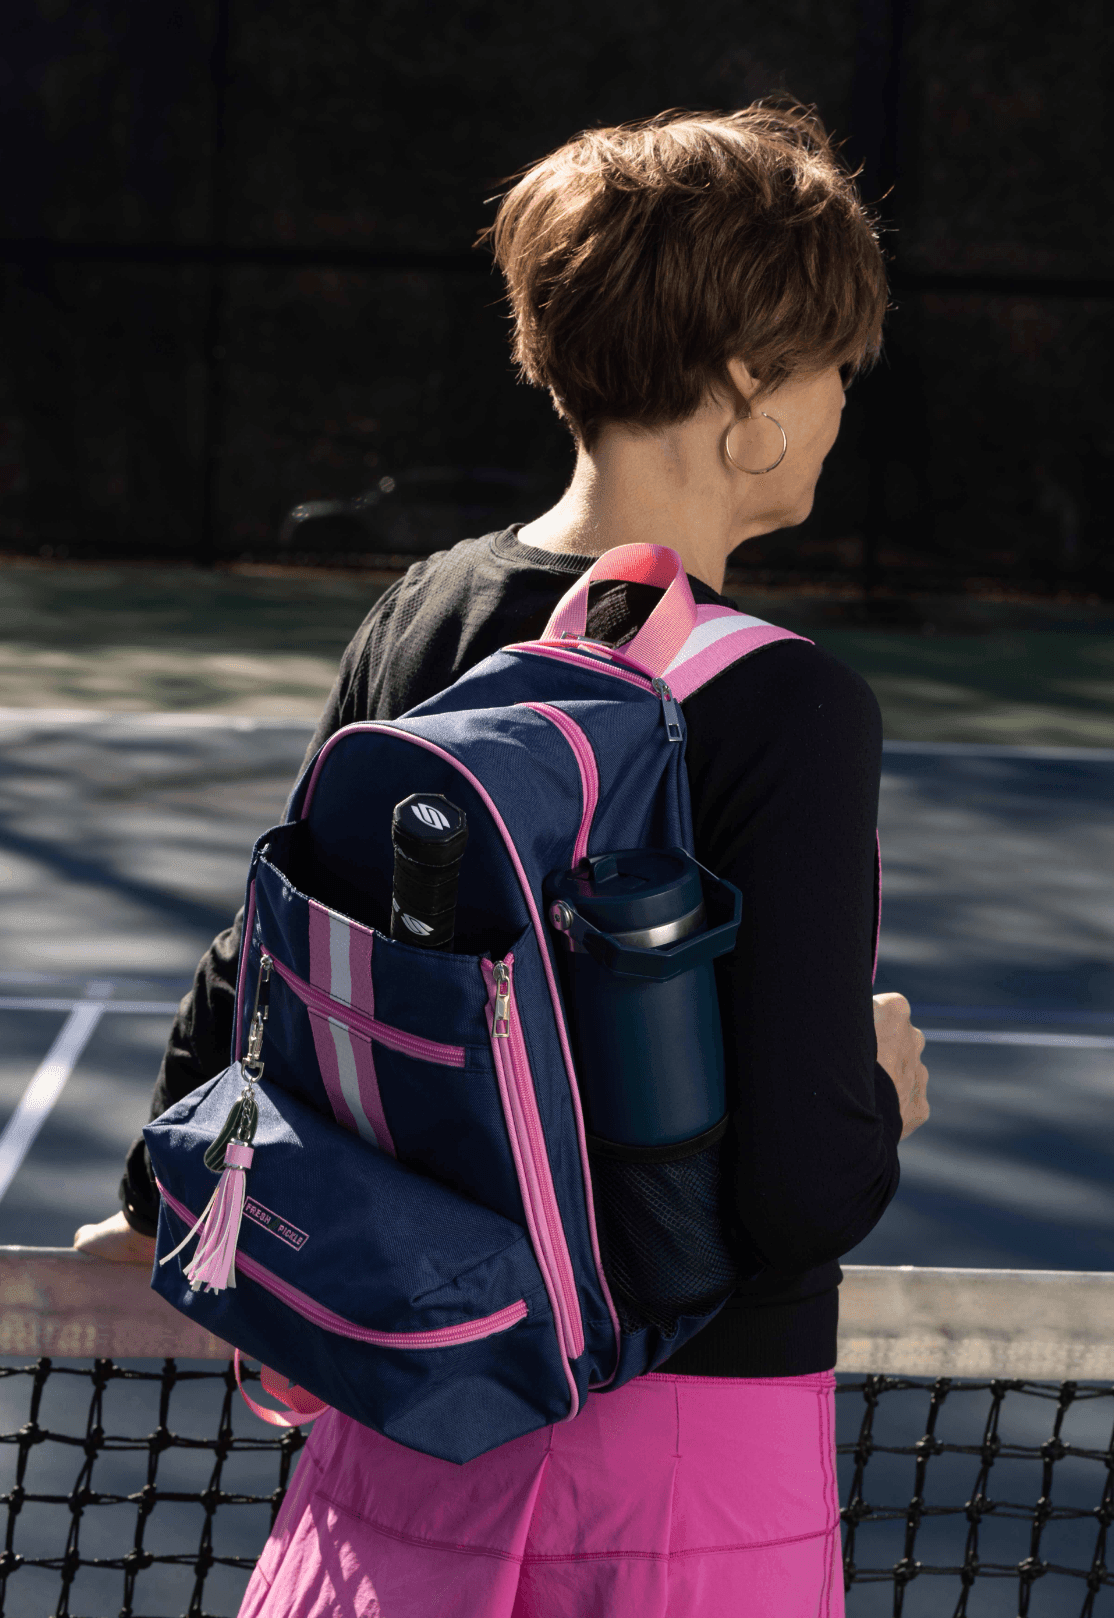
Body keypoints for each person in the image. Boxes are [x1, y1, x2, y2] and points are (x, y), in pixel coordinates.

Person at [76, 101, 929, 1617]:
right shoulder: (788, 705)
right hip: (683, 1466)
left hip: (405, 1404)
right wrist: (877, 1100)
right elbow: (796, 1188)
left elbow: (256, 969)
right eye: (831, 368)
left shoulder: (420, 612)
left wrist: (162, 1197)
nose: (840, 406)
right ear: (752, 391)